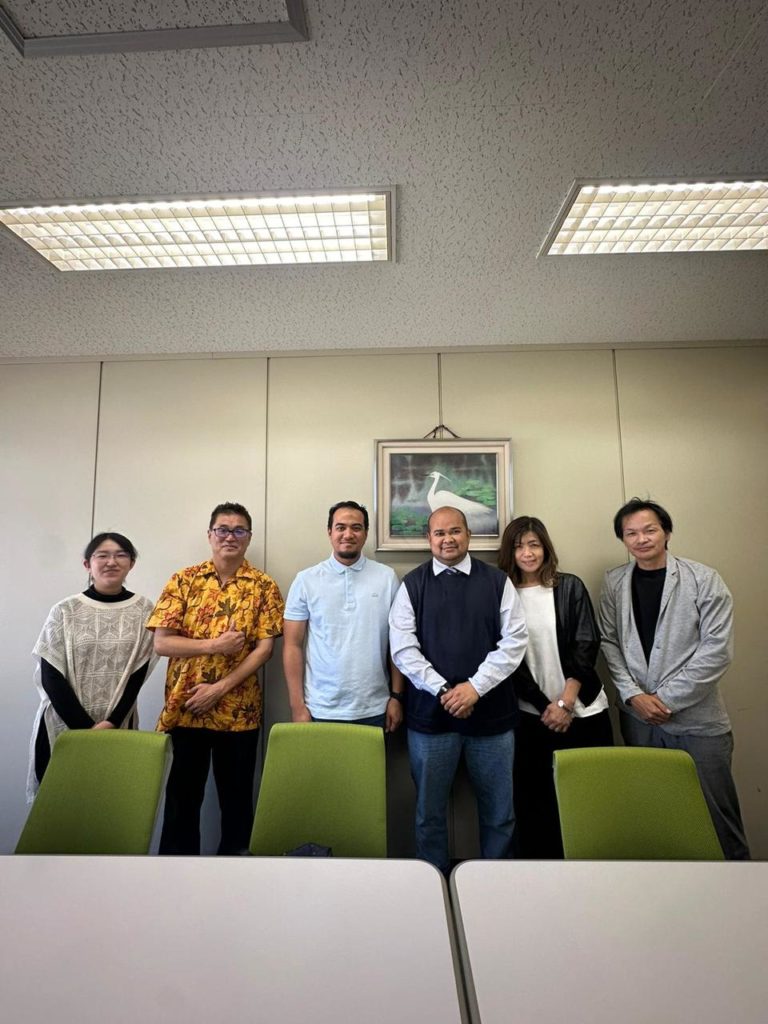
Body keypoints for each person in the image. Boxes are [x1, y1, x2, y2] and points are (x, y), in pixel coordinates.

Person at [600, 497, 750, 860]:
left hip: (698, 722)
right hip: (638, 720)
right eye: (631, 533)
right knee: (655, 816)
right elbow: (609, 642)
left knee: (717, 820)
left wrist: (664, 700)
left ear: (667, 532)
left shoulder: (704, 579)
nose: (641, 539)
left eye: (650, 530)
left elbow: (717, 651)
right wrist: (634, 695)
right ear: (622, 539)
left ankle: (736, 886)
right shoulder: (614, 582)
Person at [389, 506, 528, 874]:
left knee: (500, 814)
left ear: (468, 535)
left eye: (455, 531)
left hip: (492, 719)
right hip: (430, 720)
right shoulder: (412, 584)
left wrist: (474, 689)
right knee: (429, 814)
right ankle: (432, 883)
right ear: (429, 539)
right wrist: (445, 691)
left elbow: (515, 641)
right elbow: (402, 648)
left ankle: (496, 884)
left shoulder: (497, 582)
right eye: (439, 533)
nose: (447, 539)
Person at [148, 502, 284, 855]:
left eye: (239, 531)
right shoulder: (184, 580)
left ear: (249, 538)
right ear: (210, 535)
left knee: (237, 804)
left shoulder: (263, 586)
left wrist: (219, 689)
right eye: (223, 529)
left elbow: (264, 650)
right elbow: (162, 643)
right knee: (181, 803)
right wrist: (215, 645)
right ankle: (177, 877)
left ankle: (237, 878)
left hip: (239, 713)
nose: (230, 537)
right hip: (187, 706)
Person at [498, 516, 613, 858]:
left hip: (584, 711)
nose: (527, 553)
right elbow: (509, 661)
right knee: (536, 805)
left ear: (545, 548)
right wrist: (545, 706)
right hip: (532, 717)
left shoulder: (569, 587)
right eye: (519, 547)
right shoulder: (502, 594)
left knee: (590, 801)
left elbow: (586, 643)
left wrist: (565, 702)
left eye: (534, 545)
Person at [28, 532, 156, 800]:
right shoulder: (65, 610)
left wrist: (111, 723)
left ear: (131, 563)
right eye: (102, 555)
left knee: (109, 803)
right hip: (63, 723)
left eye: (120, 555)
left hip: (117, 725)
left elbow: (138, 672)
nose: (111, 562)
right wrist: (87, 729)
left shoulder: (144, 610)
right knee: (59, 806)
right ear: (87, 564)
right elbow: (51, 675)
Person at [283, 500, 405, 730]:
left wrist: (397, 697)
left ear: (365, 533)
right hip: (320, 707)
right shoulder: (306, 580)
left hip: (375, 707)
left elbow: (397, 641)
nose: (348, 534)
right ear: (329, 531)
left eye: (356, 528)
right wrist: (297, 706)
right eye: (340, 527)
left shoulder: (386, 577)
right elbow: (292, 645)